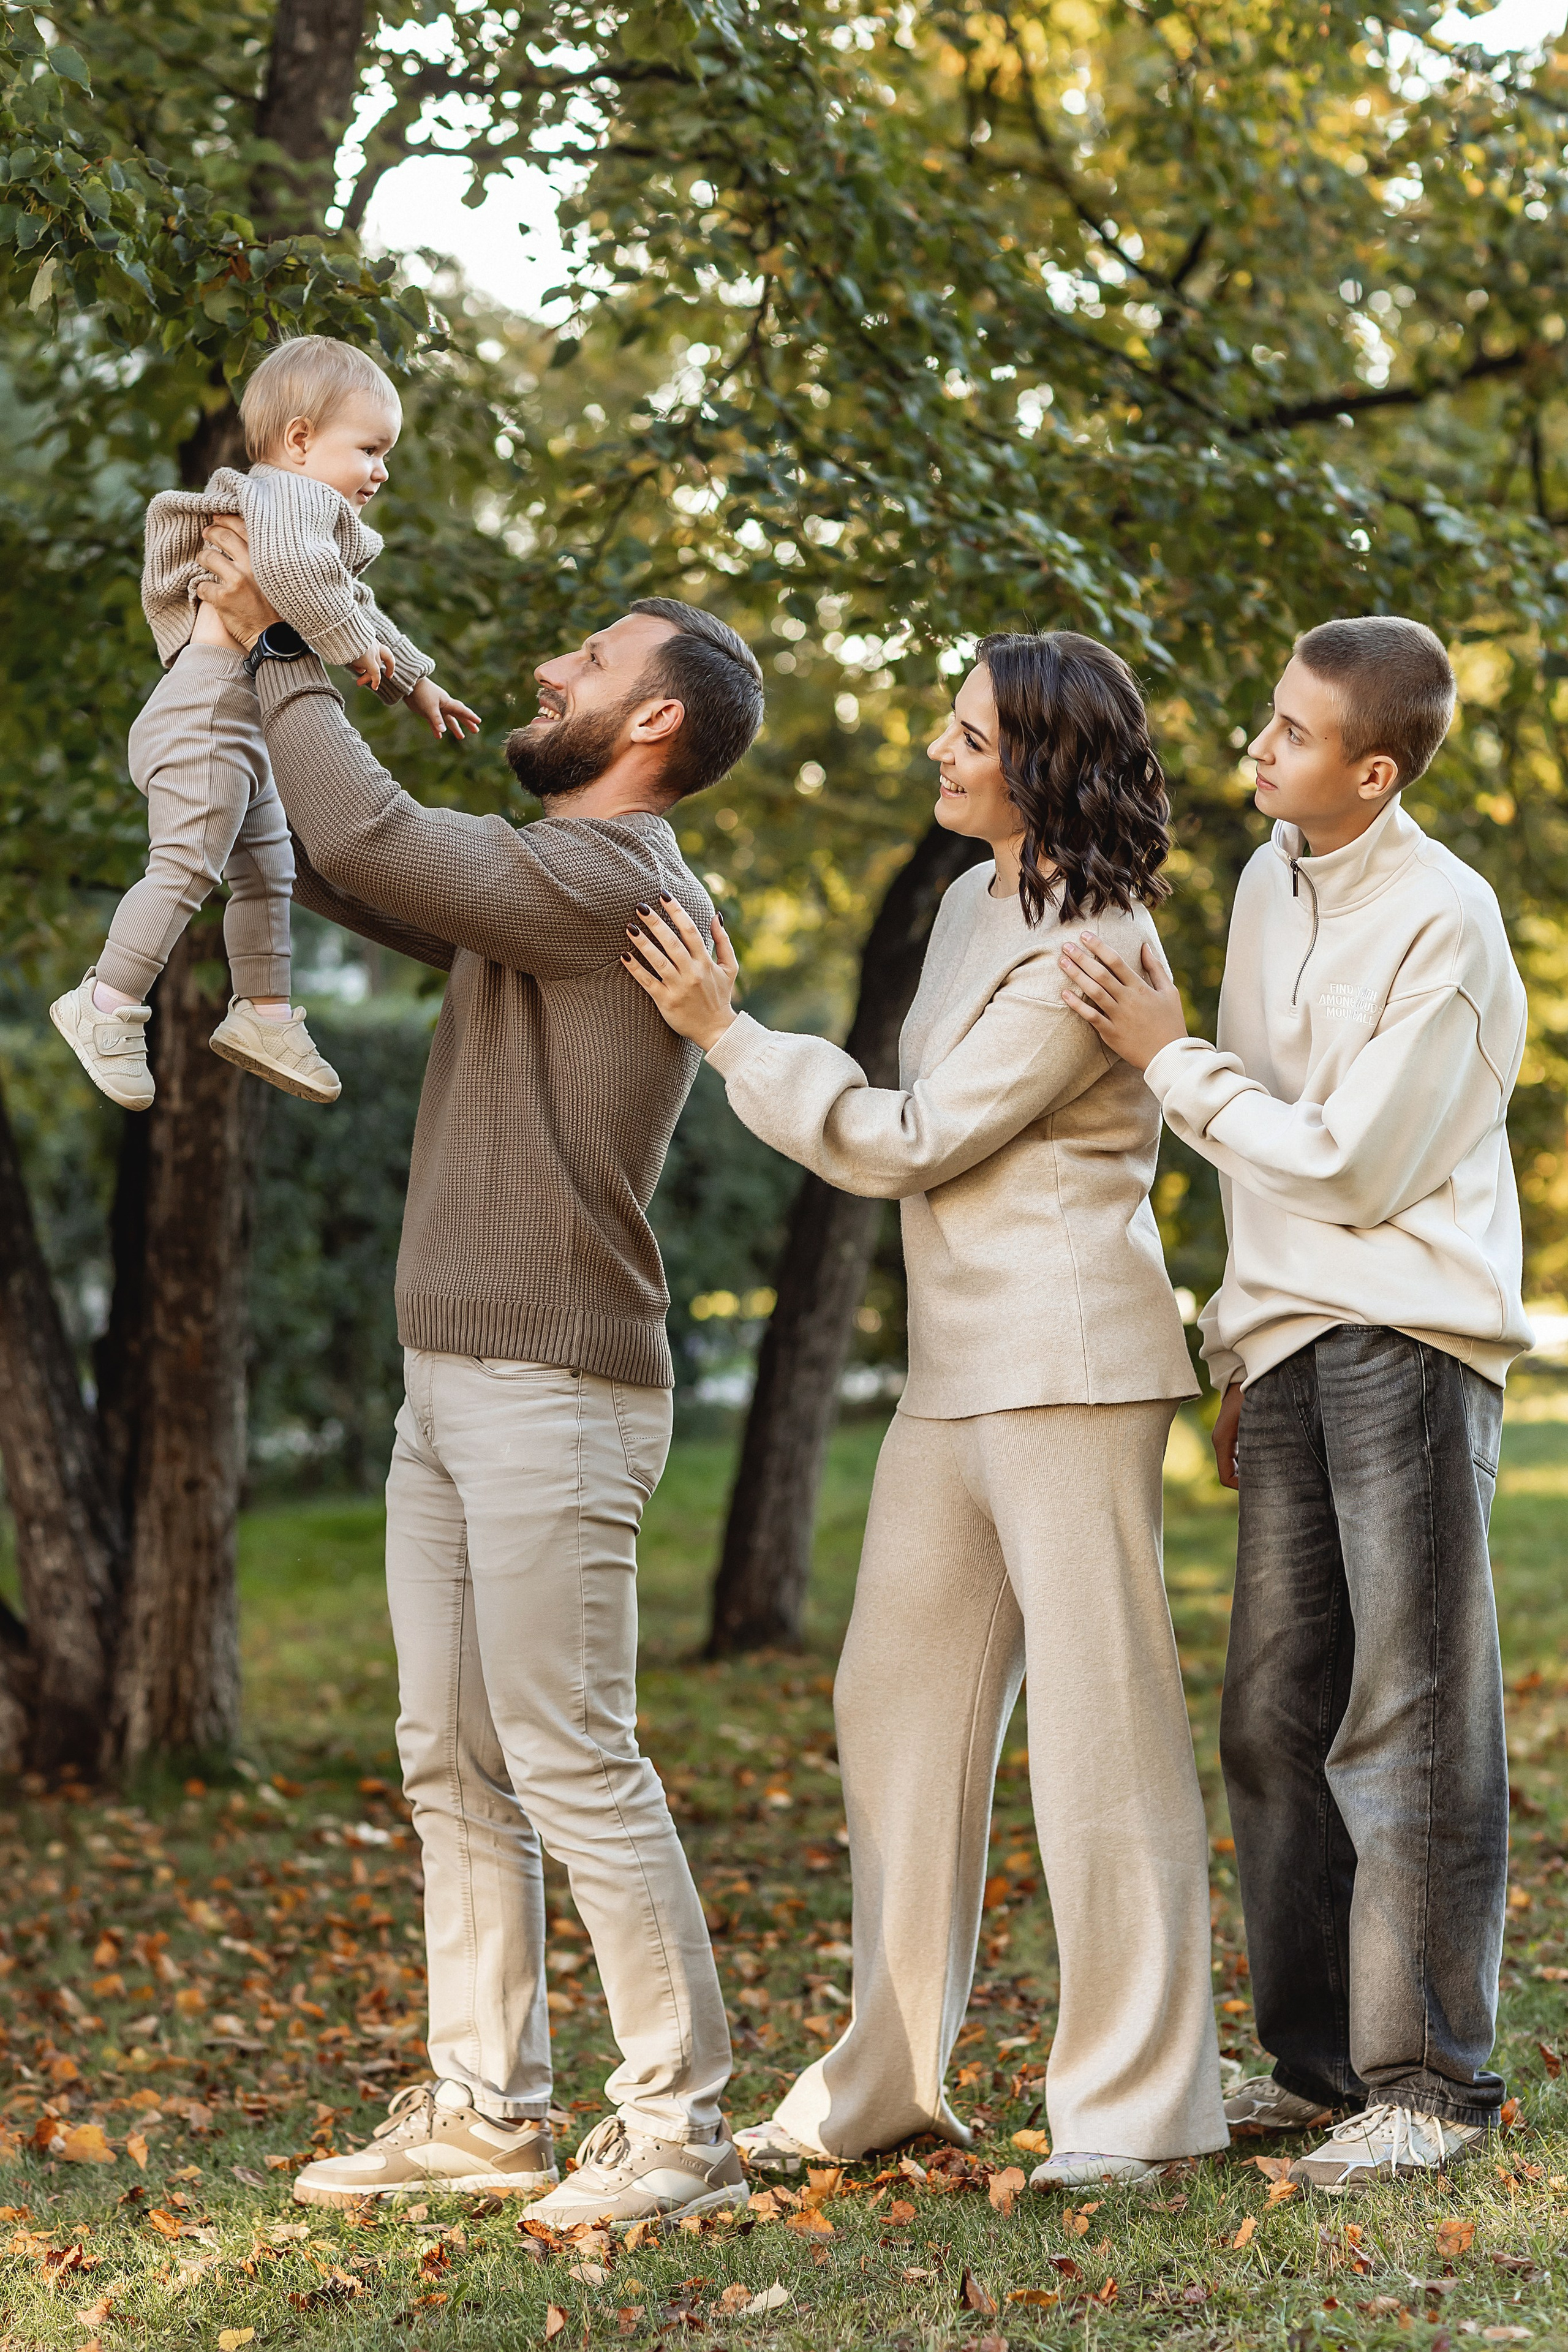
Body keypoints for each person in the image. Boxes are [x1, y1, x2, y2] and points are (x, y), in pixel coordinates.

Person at [195, 519, 764, 2226]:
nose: (549, 671)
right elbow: (366, 865)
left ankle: (680, 2136)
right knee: (449, 1753)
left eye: (587, 661)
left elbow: (368, 824)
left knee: (573, 1755)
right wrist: (278, 681)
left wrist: (282, 639)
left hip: (555, 1392)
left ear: (652, 724)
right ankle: (487, 2107)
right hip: (452, 1376)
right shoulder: (547, 893)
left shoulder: (623, 885)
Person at [625, 630, 1228, 2187]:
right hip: (958, 1370)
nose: (937, 754)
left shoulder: (1094, 939)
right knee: (890, 1704)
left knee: (1100, 1732)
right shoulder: (974, 900)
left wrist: (725, 1033)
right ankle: (882, 2085)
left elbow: (915, 1140)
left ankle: (1135, 2107)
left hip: (1069, 1362)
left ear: (1039, 763)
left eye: (965, 735)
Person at [1058, 616, 1531, 2191]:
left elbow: (1349, 1162)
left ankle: (1423, 2081)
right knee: (1271, 1714)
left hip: (1403, 1336)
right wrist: (1238, 1339)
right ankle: (1325, 2068)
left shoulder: (1444, 919)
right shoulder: (1269, 875)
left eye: (1289, 734)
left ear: (1371, 768)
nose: (1254, 749)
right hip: (1288, 1336)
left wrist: (1164, 1055)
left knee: (1405, 1711)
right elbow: (1268, 1153)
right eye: (1265, 718)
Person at [50, 335, 477, 1112]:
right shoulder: (285, 497)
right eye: (371, 449)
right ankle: (106, 1000)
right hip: (211, 708)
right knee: (185, 865)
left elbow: (356, 600)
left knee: (268, 870)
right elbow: (294, 580)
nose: (381, 470)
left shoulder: (300, 510)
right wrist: (351, 651)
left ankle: (265, 1014)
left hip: (234, 721)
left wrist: (417, 681)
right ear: (302, 440)